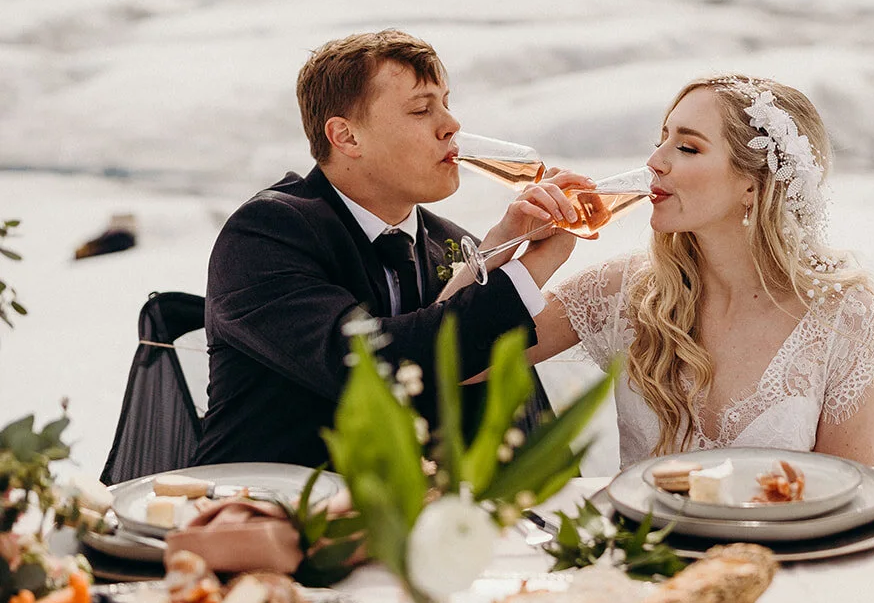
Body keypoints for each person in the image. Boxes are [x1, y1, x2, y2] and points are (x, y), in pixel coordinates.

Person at [196, 30, 584, 467]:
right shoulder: (266, 234)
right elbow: (378, 365)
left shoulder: (454, 243)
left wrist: (496, 249)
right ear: (346, 137)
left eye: (446, 103)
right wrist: (535, 265)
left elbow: (485, 399)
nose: (451, 125)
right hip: (260, 511)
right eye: (421, 109)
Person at [527, 75, 874, 467]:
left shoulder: (845, 320)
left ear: (753, 186)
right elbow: (462, 364)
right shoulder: (620, 292)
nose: (654, 162)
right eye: (661, 141)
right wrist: (533, 253)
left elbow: (851, 498)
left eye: (687, 147)